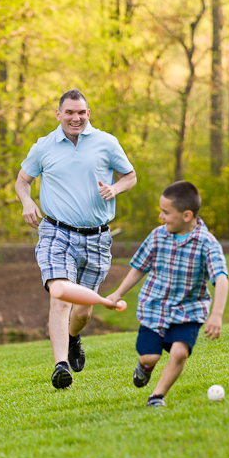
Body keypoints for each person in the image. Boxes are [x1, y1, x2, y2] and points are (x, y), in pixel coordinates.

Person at [15, 89, 137, 389]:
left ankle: (72, 338)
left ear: (88, 113)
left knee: (82, 312)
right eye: (69, 112)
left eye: (81, 112)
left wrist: (115, 189)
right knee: (60, 297)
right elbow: (22, 181)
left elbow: (130, 176)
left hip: (97, 239)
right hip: (57, 232)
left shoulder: (106, 143)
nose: (75, 117)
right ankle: (60, 366)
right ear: (58, 114)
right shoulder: (43, 147)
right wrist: (27, 202)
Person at [105, 181, 229, 407]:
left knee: (180, 353)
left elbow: (221, 277)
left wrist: (217, 314)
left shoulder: (207, 244)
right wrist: (118, 293)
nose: (161, 217)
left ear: (186, 215)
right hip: (155, 307)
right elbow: (139, 268)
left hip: (188, 310)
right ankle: (145, 367)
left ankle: (157, 397)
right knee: (149, 356)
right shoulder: (157, 236)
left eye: (166, 212)